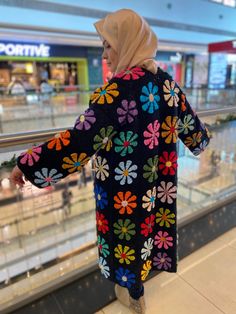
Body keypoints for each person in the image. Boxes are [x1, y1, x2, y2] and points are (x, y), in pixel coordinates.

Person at [10, 9, 211, 314]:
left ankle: (132, 292)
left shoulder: (117, 91)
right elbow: (196, 135)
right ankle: (137, 292)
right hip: (155, 188)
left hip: (123, 193)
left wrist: (28, 163)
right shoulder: (167, 84)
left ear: (127, 42)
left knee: (126, 240)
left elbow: (78, 141)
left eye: (107, 45)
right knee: (145, 234)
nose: (104, 56)